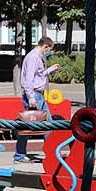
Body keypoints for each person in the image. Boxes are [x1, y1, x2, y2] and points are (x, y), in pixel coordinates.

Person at [15, 36, 59, 164]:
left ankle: (21, 154)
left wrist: (50, 69)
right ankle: (52, 153)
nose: (49, 52)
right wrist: (31, 99)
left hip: (38, 95)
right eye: (49, 49)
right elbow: (29, 80)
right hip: (35, 95)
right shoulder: (34, 57)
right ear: (45, 46)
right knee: (43, 125)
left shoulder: (34, 56)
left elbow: (38, 75)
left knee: (33, 126)